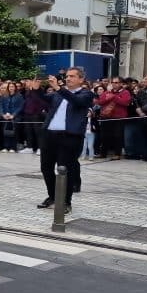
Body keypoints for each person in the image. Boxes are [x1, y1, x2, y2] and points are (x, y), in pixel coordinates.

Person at [37, 68, 94, 213]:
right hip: (50, 135)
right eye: (67, 76)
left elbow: (75, 100)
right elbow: (45, 98)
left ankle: (65, 201)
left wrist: (58, 87)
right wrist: (36, 89)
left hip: (69, 137)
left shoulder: (86, 94)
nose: (68, 78)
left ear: (81, 79)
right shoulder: (59, 94)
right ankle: (52, 196)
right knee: (46, 168)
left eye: (72, 76)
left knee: (64, 170)